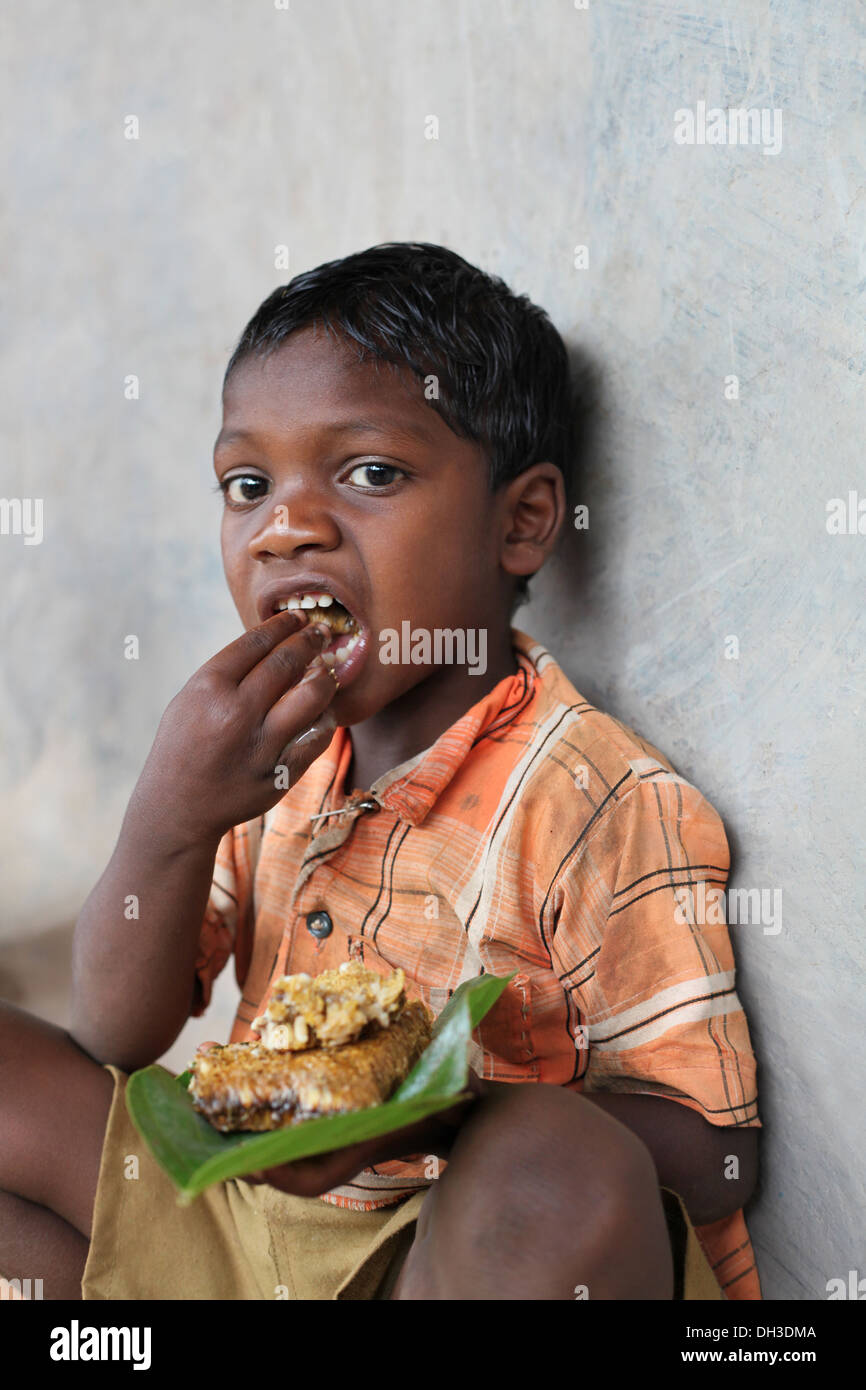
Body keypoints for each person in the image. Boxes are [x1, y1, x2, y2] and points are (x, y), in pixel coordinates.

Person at [0, 243, 761, 1300]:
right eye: (247, 483)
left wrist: (433, 1111)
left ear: (522, 521)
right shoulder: (262, 768)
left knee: (554, 1164)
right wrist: (167, 819)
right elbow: (114, 1035)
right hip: (244, 1230)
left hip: (432, 1261)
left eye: (369, 473)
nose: (285, 527)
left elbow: (721, 1153)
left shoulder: (593, 795)